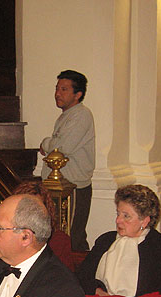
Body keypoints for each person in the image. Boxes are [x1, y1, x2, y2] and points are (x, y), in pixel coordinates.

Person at [77, 185, 161, 297]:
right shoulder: (105, 241)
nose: (118, 220)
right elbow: (81, 278)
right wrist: (99, 293)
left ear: (145, 221)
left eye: (126, 216)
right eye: (118, 214)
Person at [40, 70, 95, 250]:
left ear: (77, 94)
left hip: (73, 187)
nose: (57, 93)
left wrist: (45, 143)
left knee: (73, 239)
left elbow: (62, 148)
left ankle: (78, 277)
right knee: (60, 238)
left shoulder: (81, 115)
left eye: (64, 89)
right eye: (57, 88)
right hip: (60, 187)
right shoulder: (67, 115)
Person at [12, 181, 74, 270]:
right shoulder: (5, 237)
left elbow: (64, 279)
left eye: (36, 208)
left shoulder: (58, 241)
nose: (31, 213)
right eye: (26, 207)